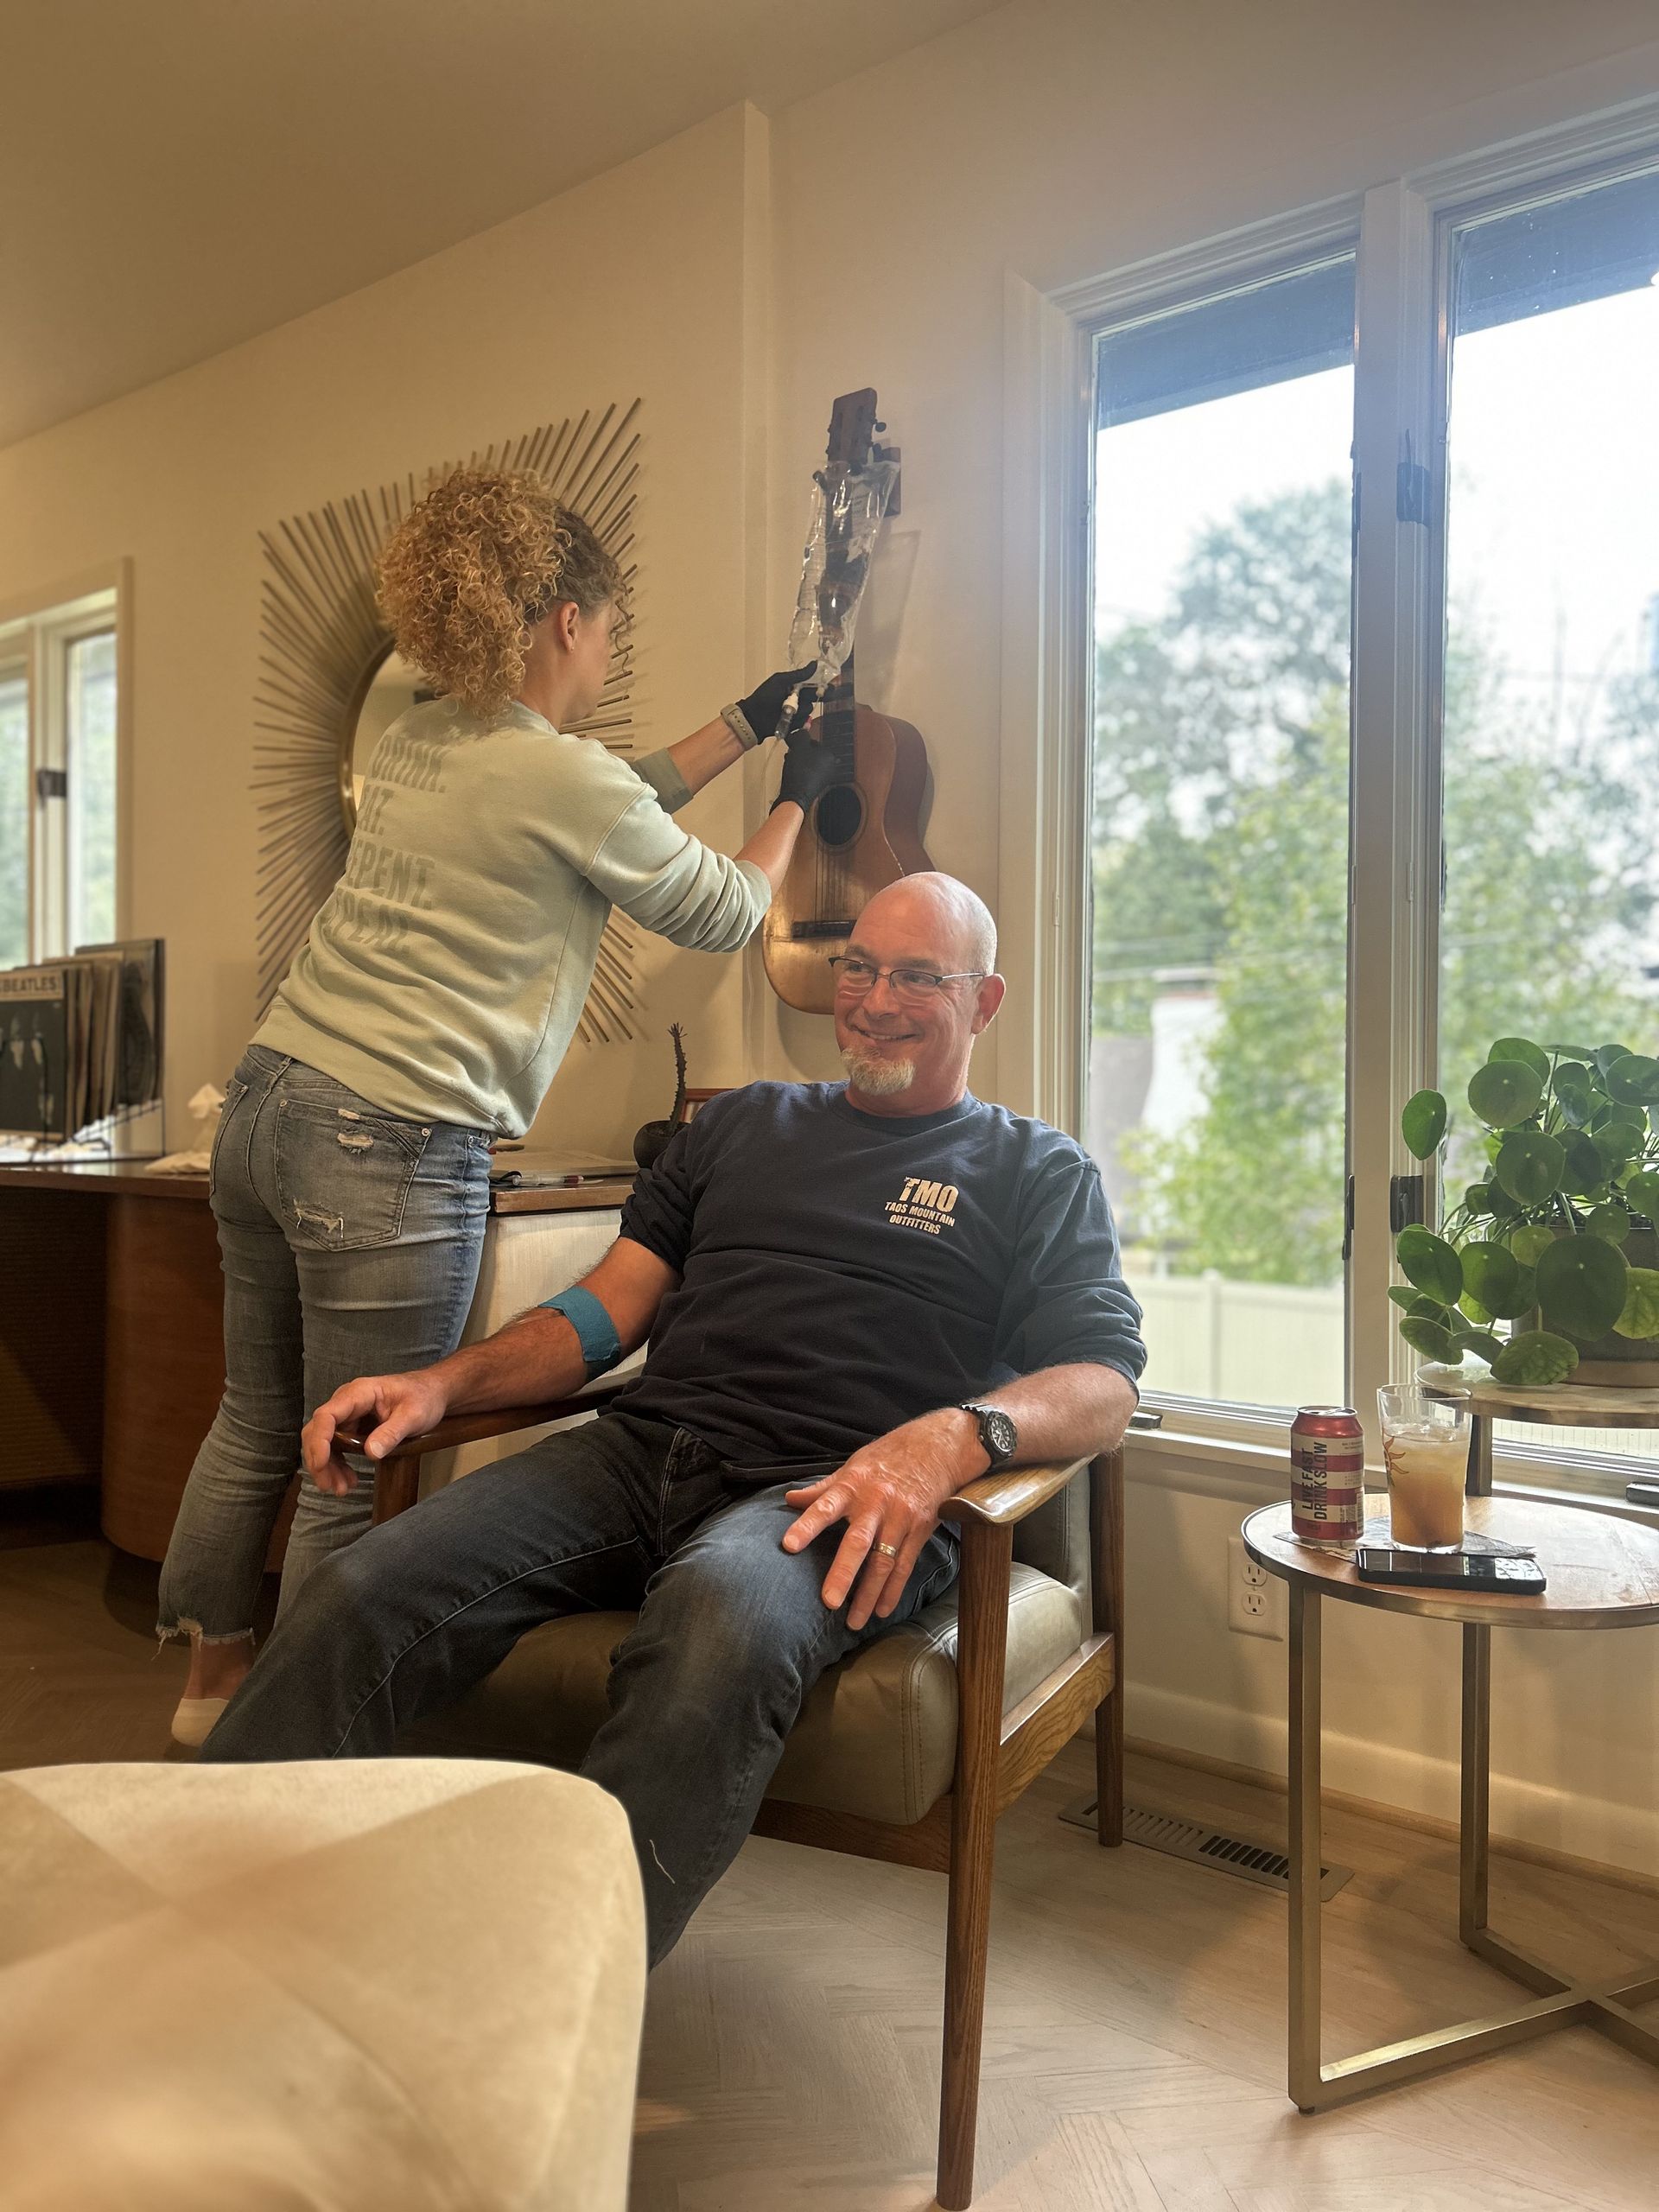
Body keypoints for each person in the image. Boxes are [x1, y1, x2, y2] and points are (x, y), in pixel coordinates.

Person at [200, 873, 1145, 1964]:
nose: (876, 999)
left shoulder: (1035, 1170)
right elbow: (609, 1310)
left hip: (828, 1494)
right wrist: (442, 1385)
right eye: (860, 967)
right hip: (639, 1452)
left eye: (919, 977)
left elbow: (1105, 1380)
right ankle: (208, 1921)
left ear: (983, 1003)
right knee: (361, 1585)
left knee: (719, 1620)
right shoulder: (745, 1123)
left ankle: (554, 2004)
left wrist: (949, 1437)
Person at [159, 467, 838, 1745]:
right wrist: (796, 789)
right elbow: (725, 905)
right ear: (568, 622)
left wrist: (742, 723)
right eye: (608, 631)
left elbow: (606, 789)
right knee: (350, 1453)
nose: (605, 656)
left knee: (257, 1413)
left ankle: (212, 1693)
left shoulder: (416, 738)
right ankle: (304, 1751)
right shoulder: (559, 780)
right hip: (383, 1137)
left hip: (263, 1104)